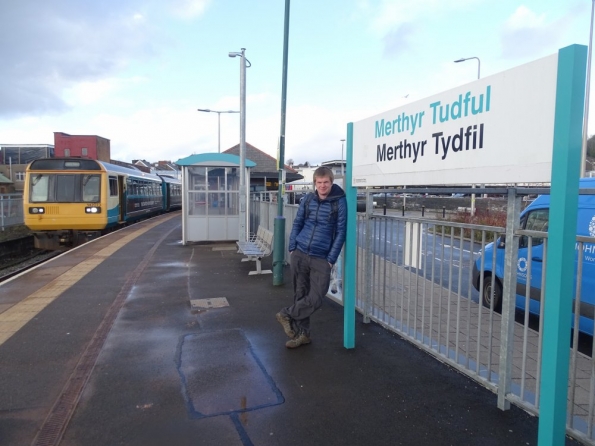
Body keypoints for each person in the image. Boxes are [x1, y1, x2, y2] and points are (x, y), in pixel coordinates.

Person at [276, 166, 347, 348]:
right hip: (300, 252)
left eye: (326, 182)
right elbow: (298, 222)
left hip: (321, 258)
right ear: (315, 183)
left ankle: (286, 314)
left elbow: (340, 232)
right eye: (319, 182)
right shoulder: (308, 199)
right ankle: (302, 335)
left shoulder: (339, 202)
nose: (322, 186)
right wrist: (292, 247)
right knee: (300, 294)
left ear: (331, 182)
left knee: (316, 297)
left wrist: (331, 259)